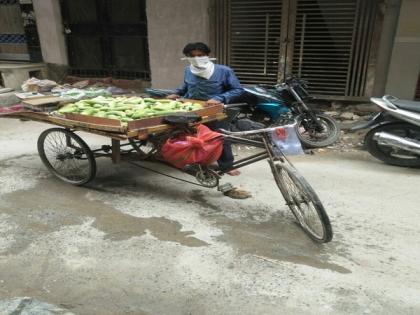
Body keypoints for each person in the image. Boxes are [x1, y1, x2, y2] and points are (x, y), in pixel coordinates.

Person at [168, 42, 251, 199]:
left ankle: (227, 166)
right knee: (196, 138)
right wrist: (176, 93)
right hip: (193, 111)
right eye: (192, 56)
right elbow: (185, 88)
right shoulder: (188, 70)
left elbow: (238, 90)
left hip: (215, 111)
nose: (196, 58)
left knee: (220, 137)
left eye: (200, 55)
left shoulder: (223, 71)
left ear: (208, 54)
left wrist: (219, 98)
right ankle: (199, 163)